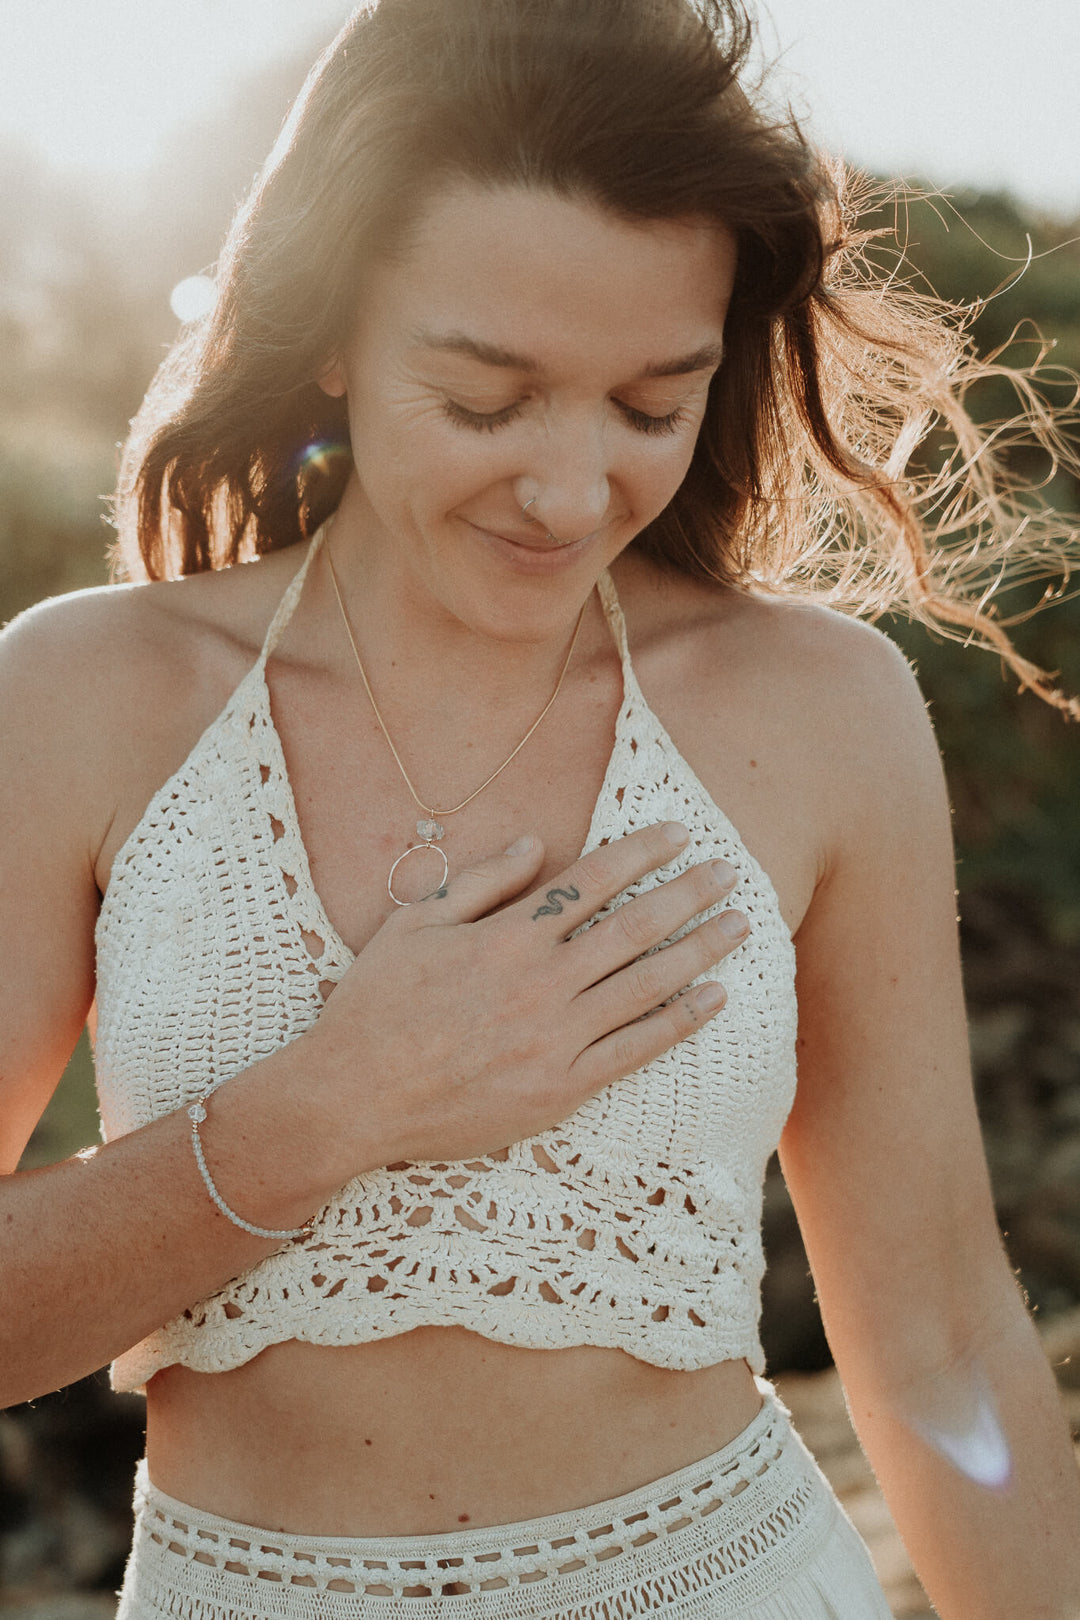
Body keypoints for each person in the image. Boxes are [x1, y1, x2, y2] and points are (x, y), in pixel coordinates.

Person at [1, 0, 1078, 1615]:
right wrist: (328, 1109)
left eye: (654, 405)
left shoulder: (816, 711)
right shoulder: (86, 697)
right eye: (489, 399)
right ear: (331, 329)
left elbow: (940, 1336)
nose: (574, 490)